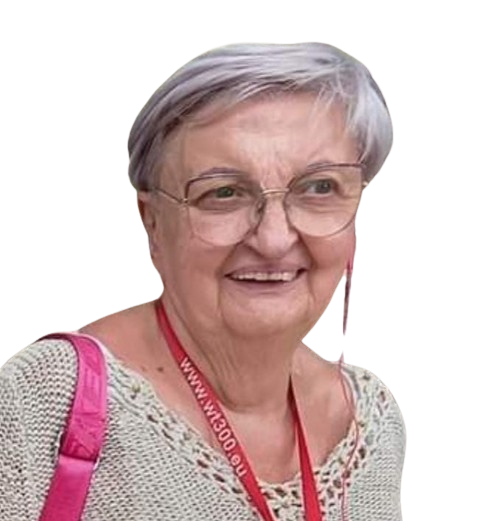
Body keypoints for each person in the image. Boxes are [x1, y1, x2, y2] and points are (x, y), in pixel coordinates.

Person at [0, 42, 406, 520]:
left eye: (320, 187)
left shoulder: (369, 422)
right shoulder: (45, 398)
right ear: (153, 222)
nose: (274, 239)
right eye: (224, 193)